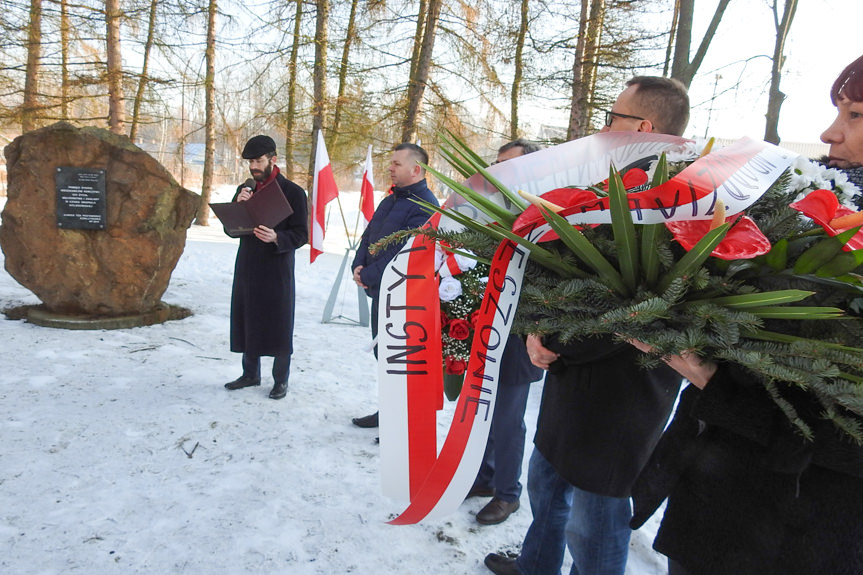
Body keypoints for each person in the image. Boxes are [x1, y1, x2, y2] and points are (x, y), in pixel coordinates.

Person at [628, 56, 863, 575]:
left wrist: (715, 381)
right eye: (837, 113)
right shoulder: (802, 208)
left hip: (799, 535)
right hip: (716, 507)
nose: (829, 134)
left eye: (856, 116)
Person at [484, 76, 690, 575]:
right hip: (570, 384)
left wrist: (550, 341)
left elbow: (635, 305)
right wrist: (535, 328)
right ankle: (536, 566)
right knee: (546, 490)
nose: (603, 127)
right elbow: (564, 274)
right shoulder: (608, 185)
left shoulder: (673, 201)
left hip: (620, 401)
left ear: (643, 126)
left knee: (593, 522)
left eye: (612, 117)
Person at [466, 139, 545, 526]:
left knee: (508, 418)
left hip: (520, 334)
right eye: (495, 165)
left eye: (507, 166)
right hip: (488, 327)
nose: (498, 173)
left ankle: (508, 493)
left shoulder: (547, 218)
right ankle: (485, 476)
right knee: (485, 410)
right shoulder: (493, 214)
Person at [351, 143, 440, 428]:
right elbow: (369, 235)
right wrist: (359, 264)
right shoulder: (391, 200)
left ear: (416, 169)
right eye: (391, 163)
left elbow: (404, 252)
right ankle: (388, 413)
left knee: (400, 361)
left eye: (396, 163)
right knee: (384, 356)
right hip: (382, 294)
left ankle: (402, 425)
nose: (390, 167)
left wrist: (369, 274)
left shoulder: (425, 204)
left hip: (405, 299)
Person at [223, 135, 308, 400]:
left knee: (278, 323)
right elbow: (230, 229)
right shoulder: (244, 189)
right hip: (248, 266)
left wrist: (277, 238)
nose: (253, 167)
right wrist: (238, 208)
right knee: (248, 317)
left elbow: (301, 234)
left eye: (258, 161)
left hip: (276, 268)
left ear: (273, 159)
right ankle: (250, 374)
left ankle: (280, 379)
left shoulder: (293, 192)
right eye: (250, 162)